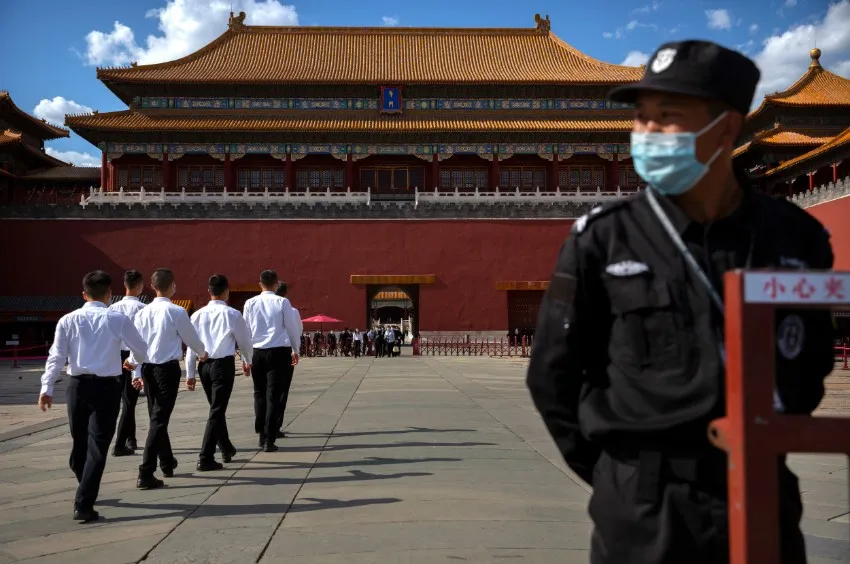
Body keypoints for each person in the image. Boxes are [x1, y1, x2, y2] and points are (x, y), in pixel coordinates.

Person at [526, 40, 835, 564]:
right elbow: (552, 377)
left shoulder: (796, 239)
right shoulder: (603, 240)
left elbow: (810, 363)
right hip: (644, 509)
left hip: (762, 493)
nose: (646, 133)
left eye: (667, 117)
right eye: (641, 117)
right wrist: (618, 473)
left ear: (727, 129)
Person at [38, 271, 149, 522]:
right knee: (97, 446)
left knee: (80, 444)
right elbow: (141, 347)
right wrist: (132, 362)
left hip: (77, 386)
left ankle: (85, 494)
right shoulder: (117, 319)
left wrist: (47, 388)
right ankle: (84, 500)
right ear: (109, 294)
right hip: (107, 388)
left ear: (83, 294)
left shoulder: (68, 320)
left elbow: (57, 356)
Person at [129, 268, 208, 489]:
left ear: (152, 286)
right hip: (167, 370)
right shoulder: (177, 311)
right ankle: (146, 471)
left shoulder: (142, 312)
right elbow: (191, 338)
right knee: (159, 419)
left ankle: (166, 461)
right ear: (172, 285)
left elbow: (136, 345)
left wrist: (136, 372)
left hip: (148, 369)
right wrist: (202, 353)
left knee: (157, 416)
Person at [186, 274, 254, 470]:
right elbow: (244, 342)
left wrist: (190, 373)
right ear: (227, 292)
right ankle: (205, 456)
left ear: (209, 291)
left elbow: (191, 345)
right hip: (222, 366)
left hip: (204, 366)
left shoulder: (197, 315)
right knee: (217, 409)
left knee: (216, 408)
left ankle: (225, 447)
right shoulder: (232, 314)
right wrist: (247, 360)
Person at [243, 270, 300, 451]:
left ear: (260, 284)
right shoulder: (282, 302)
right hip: (278, 352)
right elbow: (292, 328)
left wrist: (245, 357)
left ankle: (261, 435)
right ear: (276, 284)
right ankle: (269, 438)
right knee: (273, 395)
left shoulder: (250, 303)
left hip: (257, 352)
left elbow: (245, 332)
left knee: (259, 393)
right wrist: (296, 349)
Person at [108, 269, 147, 456]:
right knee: (129, 401)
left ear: (124, 285)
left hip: (116, 357)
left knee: (125, 400)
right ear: (140, 286)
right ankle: (120, 443)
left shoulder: (112, 308)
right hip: (134, 356)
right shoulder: (143, 309)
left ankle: (131, 439)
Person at [274, 280, 302, 437]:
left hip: (260, 352)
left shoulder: (254, 304)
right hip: (284, 352)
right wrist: (295, 350)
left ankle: (264, 428)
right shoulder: (292, 310)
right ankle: (275, 426)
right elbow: (297, 331)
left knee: (263, 392)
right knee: (281, 390)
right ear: (285, 292)